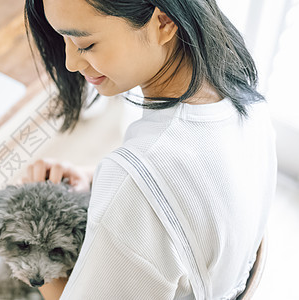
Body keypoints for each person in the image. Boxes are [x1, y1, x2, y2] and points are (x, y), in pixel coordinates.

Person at [21, 0, 277, 299]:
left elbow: (148, 186)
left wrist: (31, 249)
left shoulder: (139, 174)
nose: (70, 63)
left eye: (85, 44)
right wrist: (96, 181)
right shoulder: (244, 95)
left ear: (164, 22)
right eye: (62, 38)